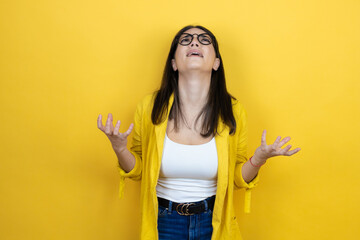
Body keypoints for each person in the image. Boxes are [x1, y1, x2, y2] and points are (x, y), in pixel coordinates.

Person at [97, 25, 301, 240]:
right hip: (164, 223)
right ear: (174, 63)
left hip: (214, 222)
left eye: (204, 40)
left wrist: (259, 158)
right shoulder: (150, 107)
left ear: (216, 63)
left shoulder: (233, 110)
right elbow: (138, 171)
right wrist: (119, 148)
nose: (194, 42)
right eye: (185, 40)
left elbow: (235, 180)